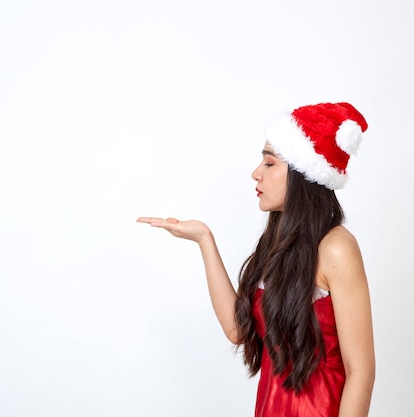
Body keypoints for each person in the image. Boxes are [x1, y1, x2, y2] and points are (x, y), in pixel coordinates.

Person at [137, 102, 375, 417]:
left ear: (302, 174)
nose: (256, 173)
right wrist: (205, 240)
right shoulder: (278, 245)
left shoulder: (337, 249)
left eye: (269, 163)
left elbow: (361, 372)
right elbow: (238, 331)